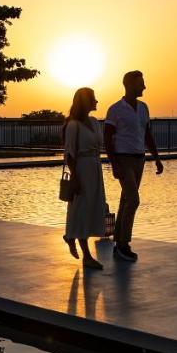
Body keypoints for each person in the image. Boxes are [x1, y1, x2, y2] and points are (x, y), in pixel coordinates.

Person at [103, 70, 163, 262]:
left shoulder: (144, 108)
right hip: (123, 159)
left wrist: (156, 158)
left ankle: (118, 244)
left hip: (139, 159)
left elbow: (147, 135)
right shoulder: (115, 109)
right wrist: (114, 164)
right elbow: (107, 138)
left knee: (126, 201)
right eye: (141, 83)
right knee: (133, 200)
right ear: (129, 85)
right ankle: (123, 244)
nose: (144, 87)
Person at [63, 87, 107, 269]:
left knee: (92, 208)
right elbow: (69, 155)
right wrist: (75, 178)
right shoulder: (73, 126)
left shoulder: (95, 122)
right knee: (81, 210)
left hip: (95, 167)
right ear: (85, 102)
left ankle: (70, 236)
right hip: (82, 168)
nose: (96, 101)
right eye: (93, 99)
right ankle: (87, 256)